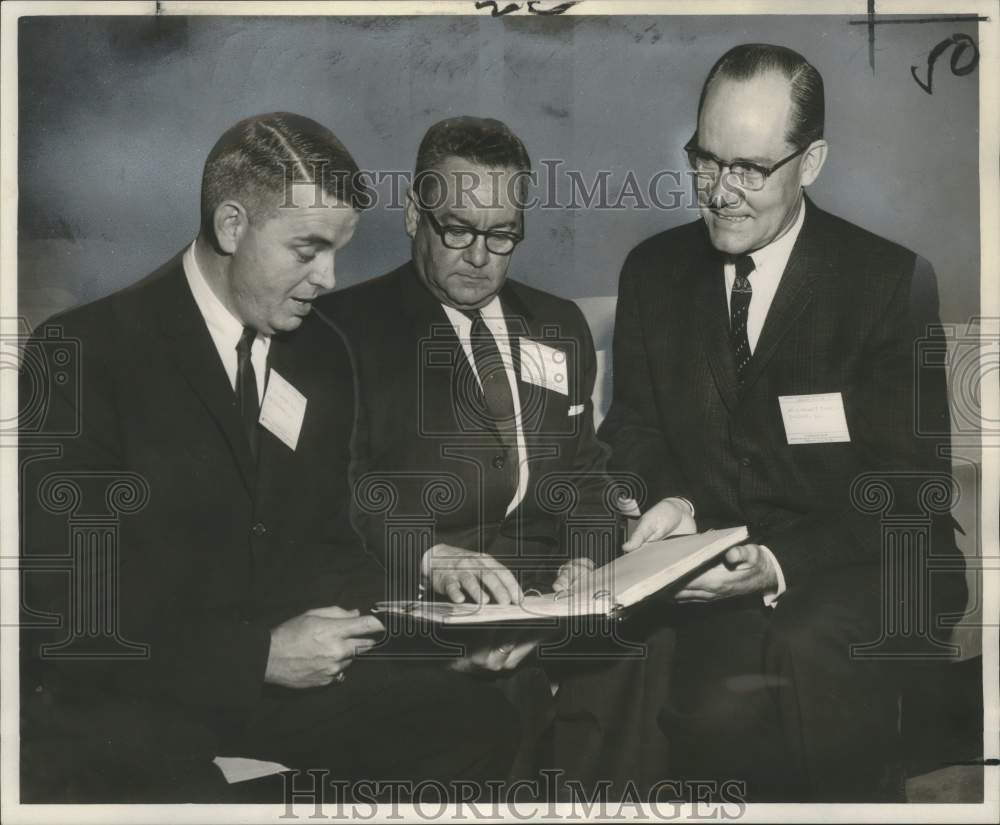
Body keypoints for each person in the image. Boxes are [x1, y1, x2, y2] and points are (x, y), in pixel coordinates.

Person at [19, 112, 518, 803]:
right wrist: (259, 656)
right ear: (231, 226)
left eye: (339, 251)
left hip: (281, 690)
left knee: (477, 718)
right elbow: (66, 610)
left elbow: (326, 546)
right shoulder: (84, 353)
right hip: (133, 700)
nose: (328, 277)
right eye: (307, 249)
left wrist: (442, 630)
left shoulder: (320, 354)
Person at [598, 44, 967, 802]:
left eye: (751, 168)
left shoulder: (887, 282)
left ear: (812, 161)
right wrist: (670, 502)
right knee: (716, 711)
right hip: (721, 576)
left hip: (870, 563)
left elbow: (907, 490)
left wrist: (776, 560)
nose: (721, 191)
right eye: (705, 160)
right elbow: (632, 432)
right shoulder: (654, 272)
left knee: (803, 651)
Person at [319, 116, 638, 783]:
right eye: (456, 228)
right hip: (417, 595)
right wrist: (429, 556)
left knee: (650, 648)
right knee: (493, 700)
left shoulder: (557, 324)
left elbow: (584, 472)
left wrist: (585, 553)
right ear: (413, 214)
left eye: (501, 234)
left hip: (547, 585)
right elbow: (332, 493)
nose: (478, 254)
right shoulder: (339, 333)